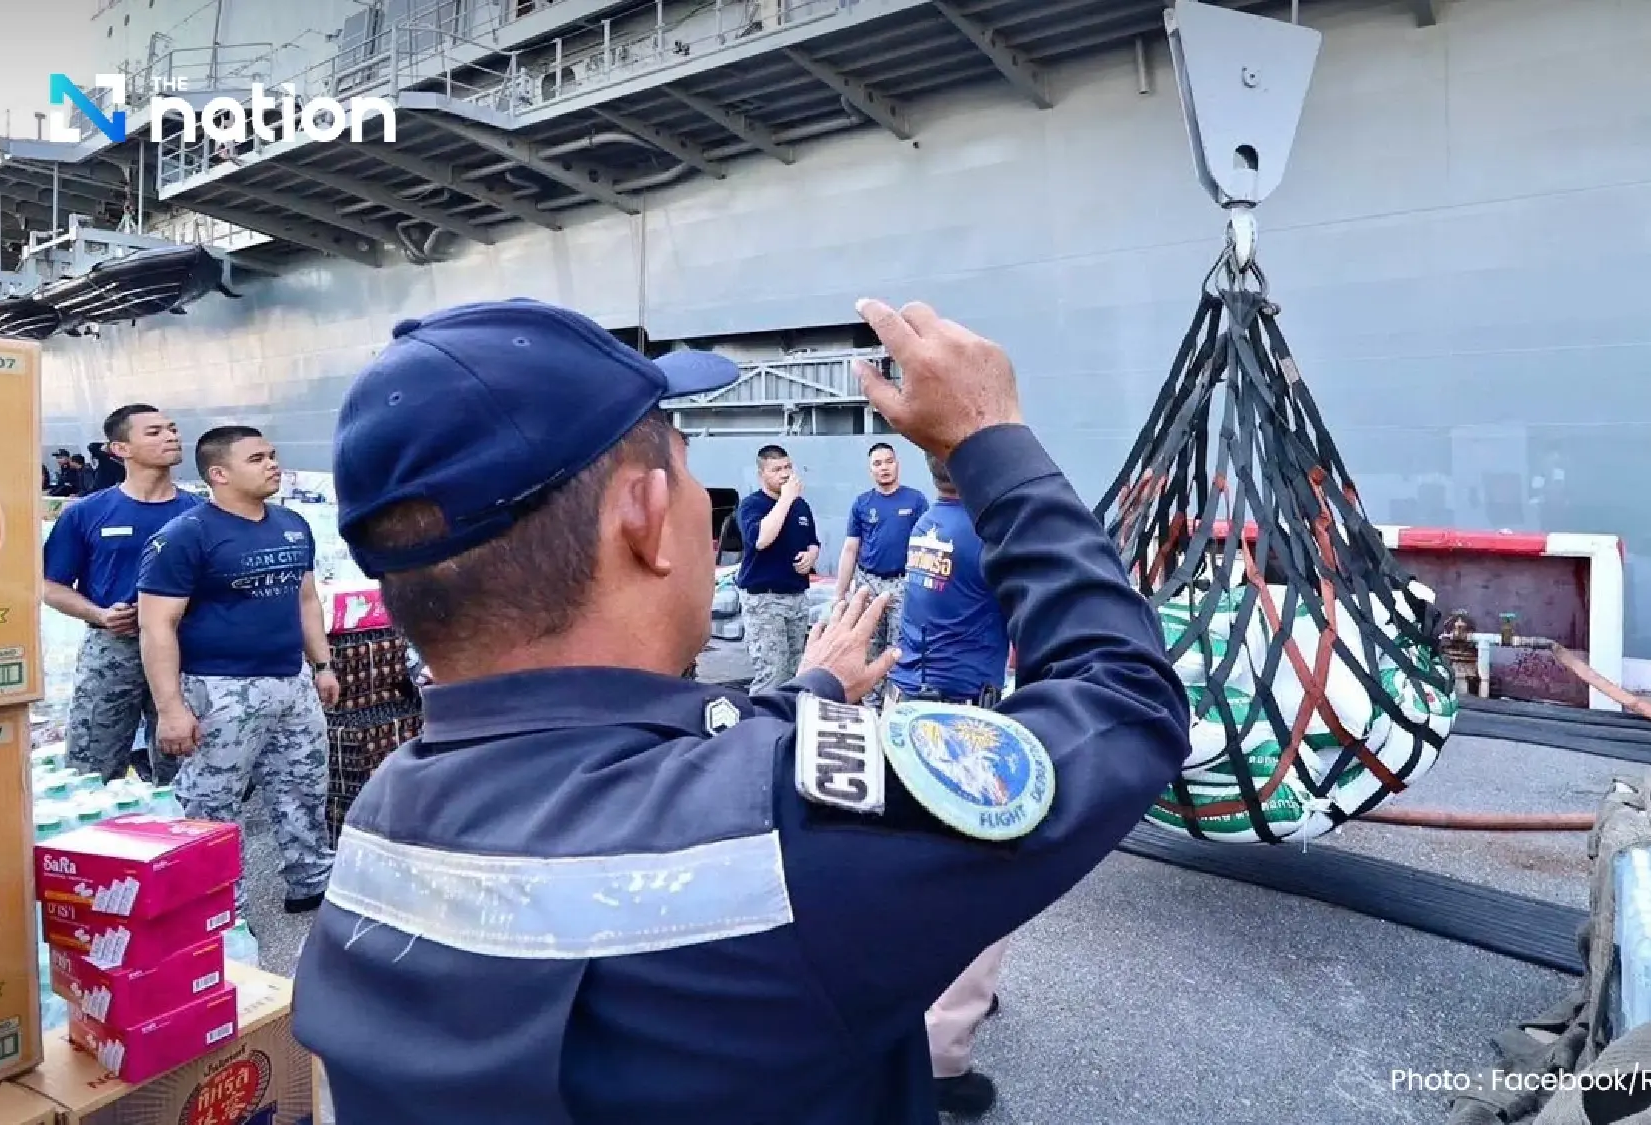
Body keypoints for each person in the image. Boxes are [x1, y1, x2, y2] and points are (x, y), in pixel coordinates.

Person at [289, 296, 1190, 1125]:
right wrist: (992, 439)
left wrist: (811, 697)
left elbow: (638, 795)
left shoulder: (385, 816)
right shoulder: (786, 834)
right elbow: (1123, 695)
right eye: (686, 471)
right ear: (643, 518)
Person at [136, 425, 340, 919]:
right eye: (257, 459)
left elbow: (306, 598)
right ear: (219, 474)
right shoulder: (187, 535)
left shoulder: (292, 524)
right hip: (221, 689)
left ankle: (311, 880)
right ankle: (221, 908)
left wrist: (322, 665)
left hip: (291, 683)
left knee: (304, 785)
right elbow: (156, 625)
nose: (272, 464)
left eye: (272, 454)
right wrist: (170, 709)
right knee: (213, 801)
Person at [887, 450, 1015, 1116]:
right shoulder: (989, 535)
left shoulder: (930, 524)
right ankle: (942, 1053)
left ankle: (919, 993)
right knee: (988, 877)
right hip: (960, 719)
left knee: (915, 862)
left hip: (911, 703)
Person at [42, 405, 203, 783]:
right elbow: (50, 586)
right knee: (91, 766)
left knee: (183, 766)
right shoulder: (87, 513)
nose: (171, 436)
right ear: (120, 449)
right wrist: (99, 615)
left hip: (185, 647)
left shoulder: (200, 513)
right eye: (154, 432)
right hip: (114, 646)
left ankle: (179, 837)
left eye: (173, 429)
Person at [833, 441, 928, 699]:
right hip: (868, 583)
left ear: (897, 464)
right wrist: (840, 594)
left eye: (888, 461)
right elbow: (851, 549)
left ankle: (894, 704)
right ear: (870, 470)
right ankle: (872, 705)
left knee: (898, 648)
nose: (884, 468)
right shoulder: (862, 504)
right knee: (869, 647)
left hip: (902, 583)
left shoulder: (916, 500)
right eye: (877, 463)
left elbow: (925, 547)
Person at [735, 444, 819, 692]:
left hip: (796, 597)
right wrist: (785, 499)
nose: (785, 474)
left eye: (788, 467)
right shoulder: (752, 505)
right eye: (776, 469)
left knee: (795, 672)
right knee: (772, 673)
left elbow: (812, 540)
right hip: (764, 601)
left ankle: (787, 725)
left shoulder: (801, 506)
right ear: (762, 474)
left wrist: (812, 554)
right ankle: (761, 727)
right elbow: (761, 539)